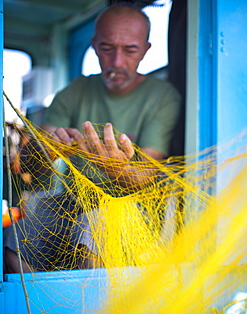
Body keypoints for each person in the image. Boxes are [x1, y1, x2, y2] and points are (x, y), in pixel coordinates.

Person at [4, 4, 181, 273]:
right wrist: (48, 149)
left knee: (96, 227)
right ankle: (44, 313)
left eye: (130, 50)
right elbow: (27, 166)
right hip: (73, 202)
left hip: (135, 207)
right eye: (107, 48)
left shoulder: (162, 97)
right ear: (94, 45)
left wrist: (117, 169)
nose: (117, 62)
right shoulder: (75, 92)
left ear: (145, 49)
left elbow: (146, 175)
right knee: (15, 237)